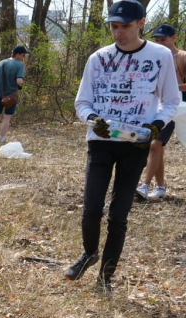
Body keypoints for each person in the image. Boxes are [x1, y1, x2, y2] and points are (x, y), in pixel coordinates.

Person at [67, 0, 178, 294]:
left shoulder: (160, 56)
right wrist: (92, 119)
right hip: (101, 143)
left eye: (125, 26)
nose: (118, 33)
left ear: (141, 23)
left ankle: (106, 276)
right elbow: (82, 102)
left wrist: (157, 124)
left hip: (136, 144)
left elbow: (171, 100)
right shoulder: (98, 58)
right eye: (114, 26)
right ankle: (89, 252)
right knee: (91, 209)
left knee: (118, 215)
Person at [137, 23, 186, 201]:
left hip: (179, 107)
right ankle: (159, 187)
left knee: (155, 145)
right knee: (157, 146)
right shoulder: (153, 57)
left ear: (173, 38)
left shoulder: (181, 57)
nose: (160, 43)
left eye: (163, 40)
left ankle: (144, 186)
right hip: (159, 106)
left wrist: (171, 88)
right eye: (157, 40)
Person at [0, 46, 29, 143]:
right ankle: (1, 139)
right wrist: (20, 81)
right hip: (11, 96)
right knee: (7, 117)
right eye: (23, 55)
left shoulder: (1, 63)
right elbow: (19, 81)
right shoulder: (19, 65)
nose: (24, 57)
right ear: (18, 54)